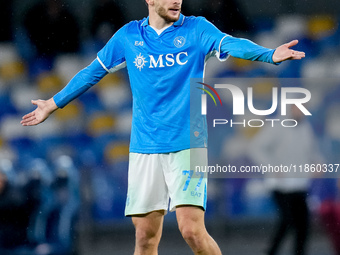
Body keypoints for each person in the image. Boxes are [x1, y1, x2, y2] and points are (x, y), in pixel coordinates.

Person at [21, 0, 305, 254]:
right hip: (145, 148)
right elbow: (92, 72)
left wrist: (269, 54)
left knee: (192, 230)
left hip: (188, 145)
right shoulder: (129, 36)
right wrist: (53, 103)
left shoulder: (196, 29)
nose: (177, 1)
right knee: (145, 237)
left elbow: (232, 44)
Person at [248, 105, 324, 255]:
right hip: (280, 185)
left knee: (303, 224)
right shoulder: (276, 126)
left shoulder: (305, 128)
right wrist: (272, 167)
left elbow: (312, 151)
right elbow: (255, 147)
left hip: (299, 184)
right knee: (287, 220)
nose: (301, 111)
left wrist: (318, 163)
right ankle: (271, 252)